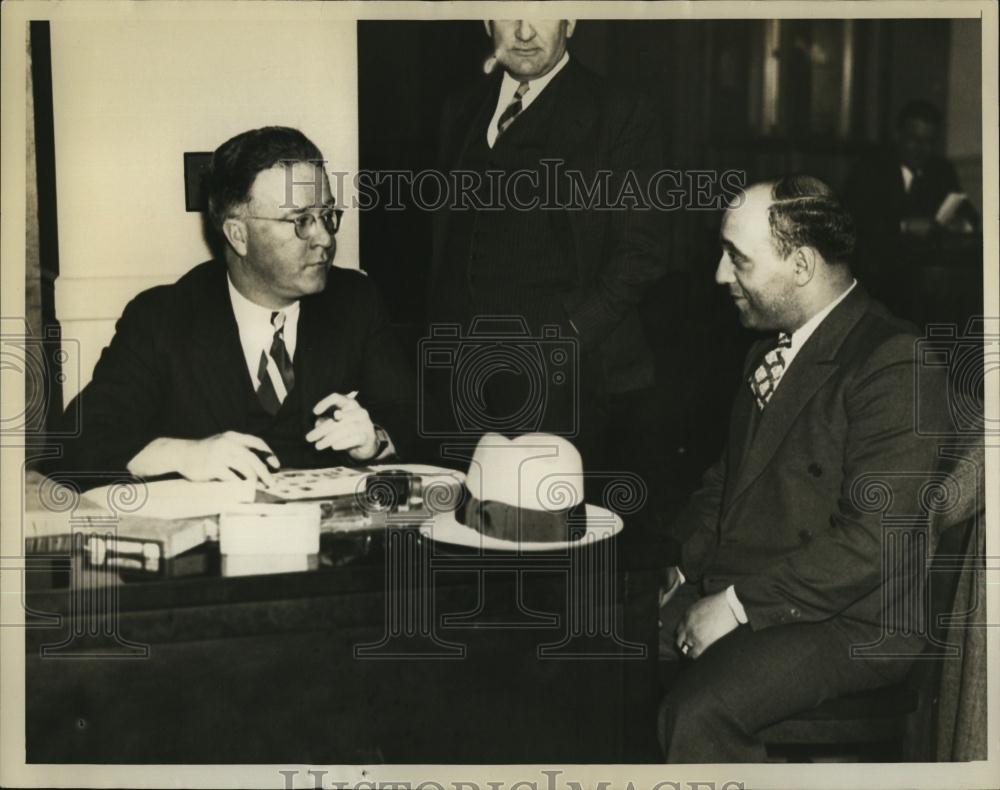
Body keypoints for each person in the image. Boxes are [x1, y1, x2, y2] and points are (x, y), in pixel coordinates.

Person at [657, 175, 950, 762]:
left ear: (801, 266)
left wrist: (736, 605)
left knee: (696, 711)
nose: (719, 274)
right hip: (771, 581)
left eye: (737, 258)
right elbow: (728, 481)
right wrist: (680, 565)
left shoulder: (895, 362)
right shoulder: (767, 349)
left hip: (855, 620)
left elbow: (874, 543)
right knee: (600, 656)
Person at [426, 19, 671, 558]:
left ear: (573, 18)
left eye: (543, 7)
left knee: (564, 560)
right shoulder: (460, 108)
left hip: (573, 381)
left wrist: (561, 341)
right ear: (484, 19)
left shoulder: (620, 111)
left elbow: (642, 252)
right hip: (468, 385)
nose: (523, 28)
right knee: (469, 547)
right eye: (506, 9)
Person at [52, 126, 416, 487]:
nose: (324, 237)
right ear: (238, 235)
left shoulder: (355, 301)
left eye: (327, 216)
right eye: (301, 220)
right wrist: (185, 455)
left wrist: (375, 441)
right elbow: (76, 440)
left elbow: (416, 421)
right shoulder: (163, 318)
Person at [843, 100, 974, 314]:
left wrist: (963, 224)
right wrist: (903, 226)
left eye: (929, 141)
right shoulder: (870, 168)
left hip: (929, 276)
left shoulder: (941, 171)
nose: (922, 149)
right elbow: (855, 220)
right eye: (914, 140)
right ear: (898, 136)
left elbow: (970, 216)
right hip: (878, 275)